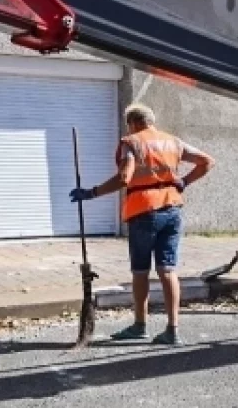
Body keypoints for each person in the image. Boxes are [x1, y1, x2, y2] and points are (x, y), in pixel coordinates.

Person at [70, 104, 214, 344]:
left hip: (144, 211)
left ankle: (140, 325)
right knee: (168, 270)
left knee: (140, 271)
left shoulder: (132, 142)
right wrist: (185, 181)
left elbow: (124, 178)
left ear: (132, 123)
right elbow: (206, 161)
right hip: (173, 208)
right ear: (150, 121)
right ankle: (172, 329)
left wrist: (92, 193)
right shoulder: (173, 142)